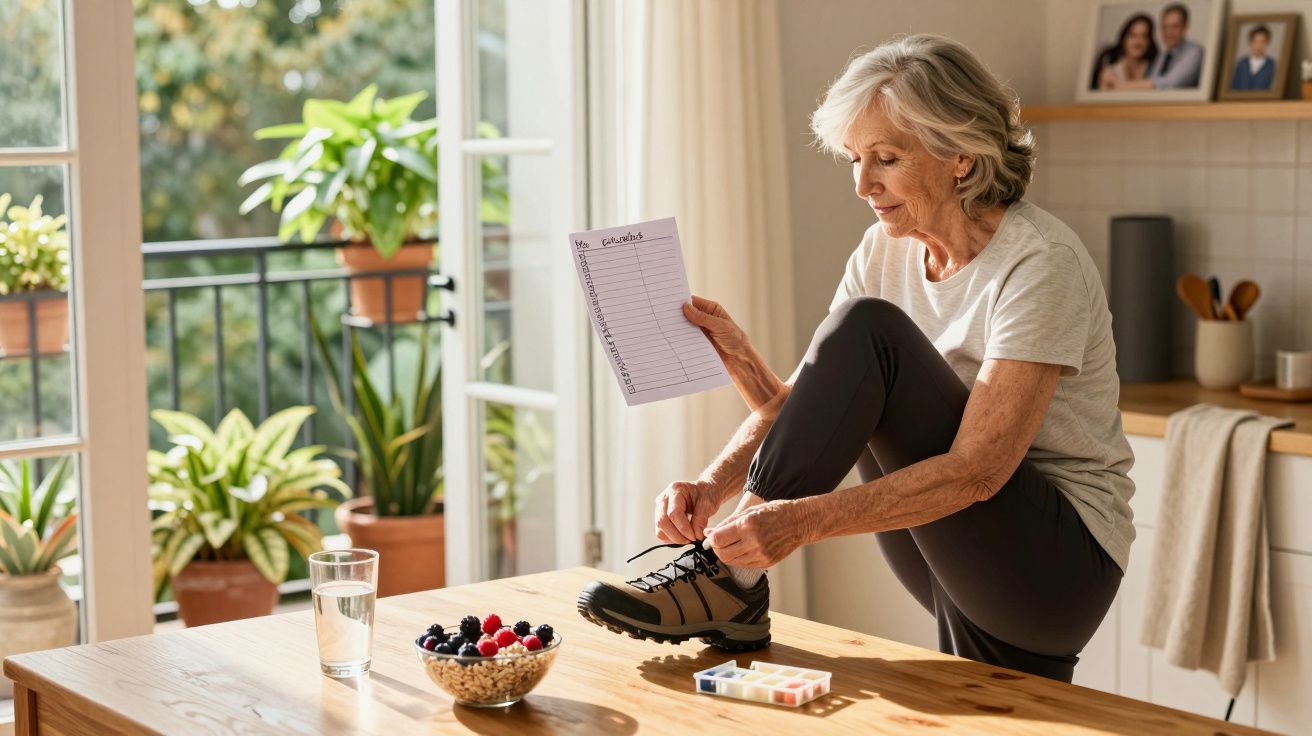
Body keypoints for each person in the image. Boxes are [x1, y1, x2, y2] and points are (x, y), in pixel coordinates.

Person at [578, 33, 1135, 684]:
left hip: (1054, 571)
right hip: (955, 546)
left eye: (886, 159)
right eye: (854, 159)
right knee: (862, 337)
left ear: (960, 155)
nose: (862, 184)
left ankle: (728, 580)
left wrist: (800, 523)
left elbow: (979, 472)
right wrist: (714, 477)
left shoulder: (1040, 263)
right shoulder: (883, 249)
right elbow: (817, 409)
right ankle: (729, 576)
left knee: (868, 328)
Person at [1106, 3, 1205, 91]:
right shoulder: (1161, 56)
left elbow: (1170, 84)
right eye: (1164, 27)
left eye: (1174, 27)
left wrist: (1122, 86)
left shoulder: (1194, 52)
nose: (1168, 33)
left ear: (1185, 28)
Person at [1093, 13, 1157, 91]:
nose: (1138, 41)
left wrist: (1118, 85)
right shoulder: (1110, 73)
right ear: (1123, 39)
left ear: (1149, 41)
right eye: (1133, 35)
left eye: (1144, 36)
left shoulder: (1155, 68)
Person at [1231, 25, 1277, 91]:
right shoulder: (1241, 64)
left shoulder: (1272, 65)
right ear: (1250, 43)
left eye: (1263, 42)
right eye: (1256, 42)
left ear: (1267, 43)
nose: (1259, 46)